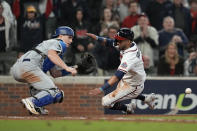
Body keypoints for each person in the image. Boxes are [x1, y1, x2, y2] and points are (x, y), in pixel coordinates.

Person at [10, 26, 77, 115]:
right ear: (60, 36)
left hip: (17, 68)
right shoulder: (59, 42)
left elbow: (55, 73)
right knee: (54, 92)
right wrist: (67, 67)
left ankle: (37, 107)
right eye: (69, 37)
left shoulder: (49, 45)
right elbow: (52, 55)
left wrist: (73, 68)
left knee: (55, 94)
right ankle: (32, 102)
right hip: (29, 66)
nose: (71, 41)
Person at [88, 28, 156, 114]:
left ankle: (127, 108)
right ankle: (146, 99)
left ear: (127, 41)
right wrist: (97, 37)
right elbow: (110, 42)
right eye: (117, 39)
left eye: (120, 40)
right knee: (121, 95)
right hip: (129, 77)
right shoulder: (129, 43)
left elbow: (117, 76)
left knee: (105, 102)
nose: (117, 42)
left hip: (134, 85)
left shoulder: (130, 56)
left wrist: (101, 88)